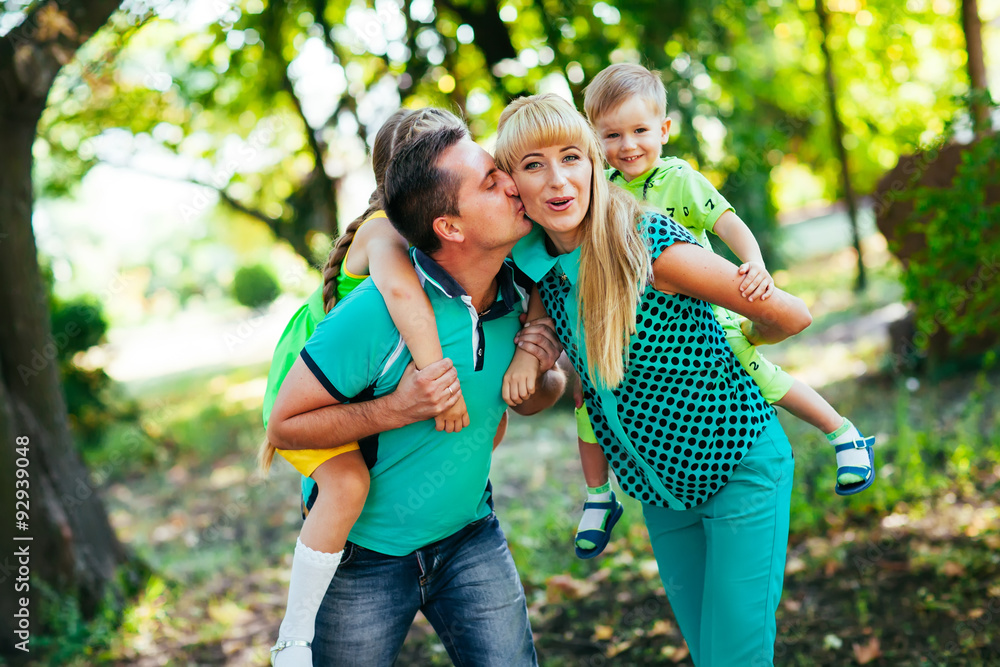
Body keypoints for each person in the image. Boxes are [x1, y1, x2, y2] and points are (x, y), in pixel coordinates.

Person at [495, 93, 812, 666]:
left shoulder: (648, 245)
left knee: (735, 659)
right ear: (512, 184)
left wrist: (742, 343)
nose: (558, 179)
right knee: (708, 653)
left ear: (595, 162)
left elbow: (790, 315)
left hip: (737, 462)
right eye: (533, 164)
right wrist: (533, 354)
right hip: (661, 490)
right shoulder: (537, 267)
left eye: (571, 157)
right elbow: (549, 393)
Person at [267, 122, 566, 665]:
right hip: (363, 561)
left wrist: (542, 371)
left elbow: (532, 399)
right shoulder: (376, 311)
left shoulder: (525, 292)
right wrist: (397, 407)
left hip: (472, 538)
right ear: (449, 225)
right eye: (491, 180)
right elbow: (283, 427)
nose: (513, 185)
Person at [562, 63, 877, 558]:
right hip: (633, 329)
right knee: (590, 401)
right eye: (612, 135)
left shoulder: (679, 178)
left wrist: (754, 264)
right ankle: (599, 495)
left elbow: (729, 224)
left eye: (640, 131)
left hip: (704, 318)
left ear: (664, 130)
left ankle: (843, 433)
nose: (628, 146)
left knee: (763, 376)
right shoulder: (599, 186)